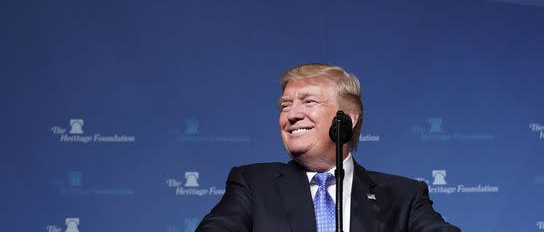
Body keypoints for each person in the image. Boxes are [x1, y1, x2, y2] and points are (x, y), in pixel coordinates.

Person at [196, 63, 461, 232]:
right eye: (285, 105)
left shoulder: (403, 197)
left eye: (308, 102)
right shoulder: (253, 185)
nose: (291, 115)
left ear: (348, 117)